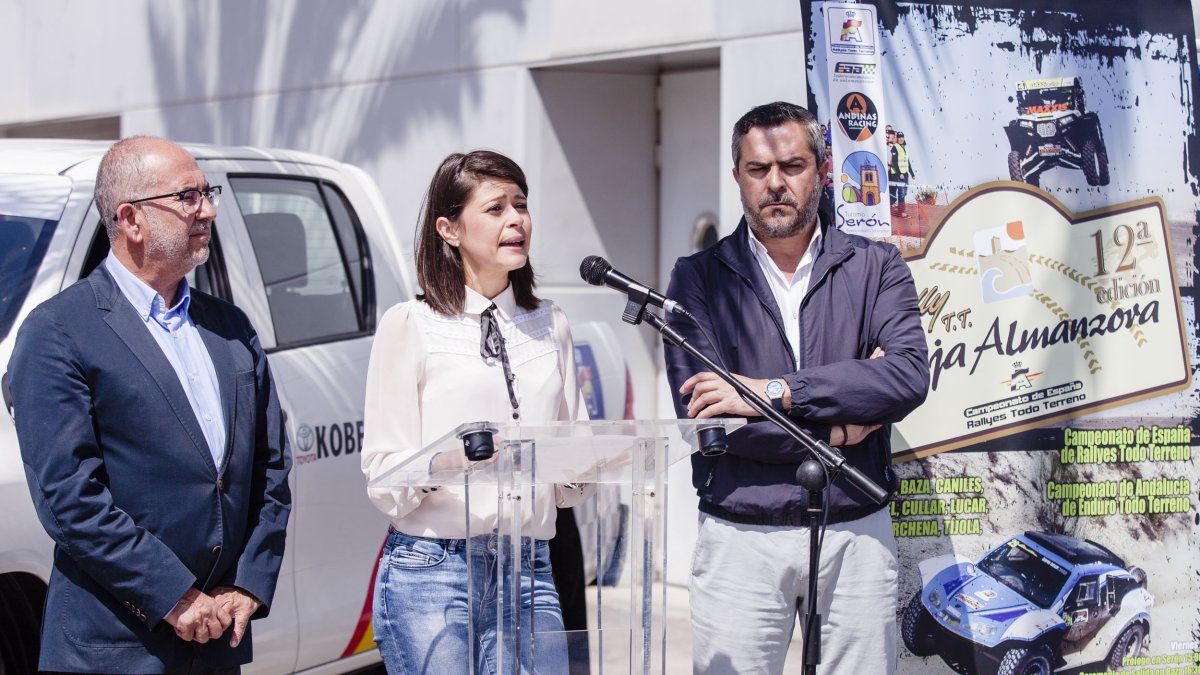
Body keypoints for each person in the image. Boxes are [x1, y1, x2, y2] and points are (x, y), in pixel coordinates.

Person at [9, 136, 292, 674]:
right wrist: (172, 595)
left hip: (214, 641)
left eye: (206, 193)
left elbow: (270, 468)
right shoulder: (58, 333)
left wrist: (247, 584)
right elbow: (70, 500)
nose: (207, 209)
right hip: (113, 646)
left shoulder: (228, 328)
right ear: (131, 219)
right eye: (188, 196)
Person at [664, 102, 929, 674]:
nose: (776, 183)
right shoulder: (697, 278)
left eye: (792, 165)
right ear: (737, 176)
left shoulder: (876, 266)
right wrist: (846, 421)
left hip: (854, 533)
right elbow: (712, 422)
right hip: (740, 535)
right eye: (758, 170)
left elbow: (907, 375)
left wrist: (774, 392)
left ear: (822, 169)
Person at [361, 150, 590, 674]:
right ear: (449, 228)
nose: (516, 220)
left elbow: (570, 468)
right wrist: (451, 460)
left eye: (522, 205)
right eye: (495, 208)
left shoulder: (550, 323)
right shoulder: (411, 324)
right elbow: (382, 478)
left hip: (529, 564)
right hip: (435, 568)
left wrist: (588, 465)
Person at [888, 128, 912, 216]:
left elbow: (907, 161)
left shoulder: (904, 148)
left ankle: (899, 208)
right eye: (899, 137)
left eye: (902, 137)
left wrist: (912, 173)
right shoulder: (895, 147)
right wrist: (899, 174)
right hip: (897, 174)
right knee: (901, 193)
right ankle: (901, 212)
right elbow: (894, 162)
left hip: (905, 174)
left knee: (904, 192)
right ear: (897, 139)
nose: (901, 138)